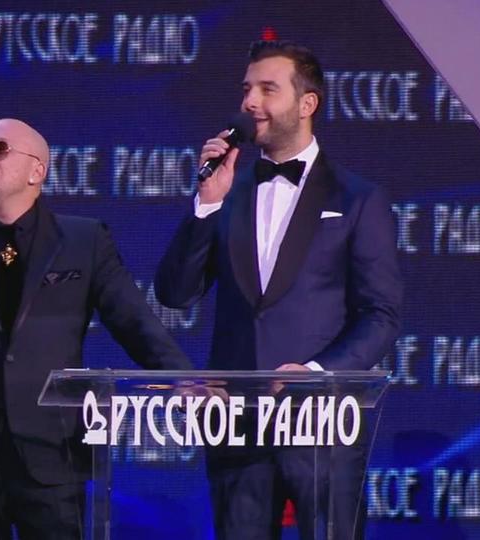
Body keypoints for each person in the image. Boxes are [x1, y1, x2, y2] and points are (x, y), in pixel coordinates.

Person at [0, 118, 191, 539]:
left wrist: (182, 378)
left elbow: (132, 320)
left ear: (36, 171)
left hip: (52, 453)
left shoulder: (83, 240)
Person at [155, 41, 403, 539]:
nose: (250, 102)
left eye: (268, 89)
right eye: (247, 89)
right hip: (236, 422)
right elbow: (175, 294)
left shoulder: (358, 198)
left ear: (307, 104)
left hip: (322, 420)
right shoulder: (228, 190)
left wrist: (316, 374)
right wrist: (206, 205)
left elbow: (381, 315)